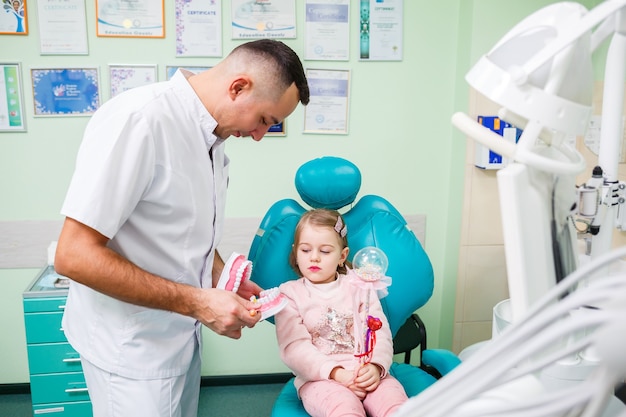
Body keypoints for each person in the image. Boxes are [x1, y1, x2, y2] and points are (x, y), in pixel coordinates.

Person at [53, 39, 310, 417]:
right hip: (131, 353)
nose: (259, 136)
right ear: (238, 87)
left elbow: (183, 229)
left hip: (180, 340)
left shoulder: (213, 138)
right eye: (264, 121)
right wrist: (197, 302)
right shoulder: (140, 119)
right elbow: (73, 255)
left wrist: (220, 275)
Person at [274, 209, 408, 417]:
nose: (314, 258)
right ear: (296, 253)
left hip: (367, 372)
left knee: (396, 406)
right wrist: (337, 374)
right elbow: (294, 348)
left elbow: (379, 332)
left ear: (342, 256)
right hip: (320, 379)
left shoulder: (360, 287)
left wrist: (375, 367)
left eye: (325, 251)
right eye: (306, 250)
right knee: (344, 409)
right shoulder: (290, 294)